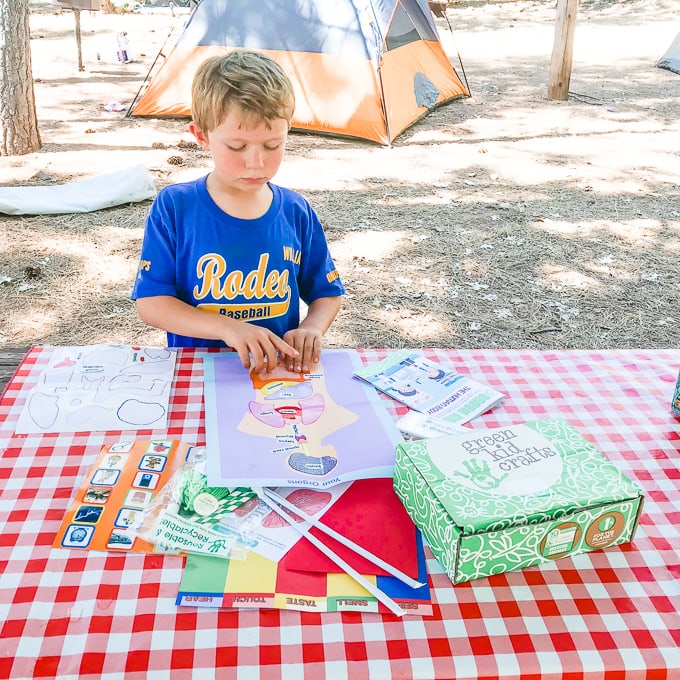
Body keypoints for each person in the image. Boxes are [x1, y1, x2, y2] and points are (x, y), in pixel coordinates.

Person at [132, 50, 345, 374]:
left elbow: (327, 294)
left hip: (272, 376)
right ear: (202, 136)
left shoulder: (296, 212)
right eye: (237, 147)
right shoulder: (175, 208)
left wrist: (312, 328)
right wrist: (227, 328)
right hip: (197, 374)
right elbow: (151, 303)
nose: (256, 161)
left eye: (273, 145)